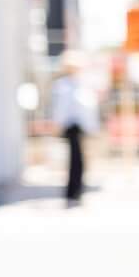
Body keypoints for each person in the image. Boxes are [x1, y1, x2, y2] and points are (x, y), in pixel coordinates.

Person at [50, 51, 98, 207]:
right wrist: (57, 124)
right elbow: (60, 109)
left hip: (82, 127)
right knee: (75, 161)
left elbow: (89, 108)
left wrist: (92, 127)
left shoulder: (82, 83)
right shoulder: (63, 85)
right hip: (72, 127)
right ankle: (72, 194)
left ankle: (78, 193)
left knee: (80, 162)